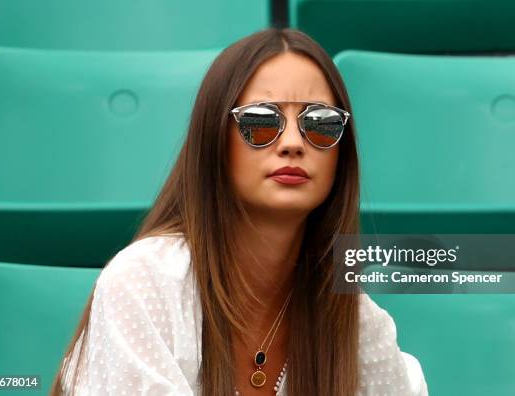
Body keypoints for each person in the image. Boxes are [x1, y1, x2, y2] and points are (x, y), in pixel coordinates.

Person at [50, 27, 428, 396]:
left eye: (321, 123)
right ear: (215, 138)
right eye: (261, 120)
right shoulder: (143, 282)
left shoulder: (355, 321)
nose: (293, 143)